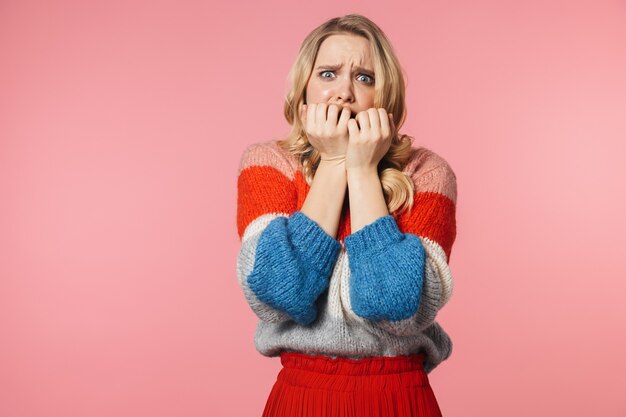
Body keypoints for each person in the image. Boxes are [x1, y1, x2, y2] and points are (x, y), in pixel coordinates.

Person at [235, 13, 457, 417]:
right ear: (304, 89)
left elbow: (397, 307)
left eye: (364, 78)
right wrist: (336, 162)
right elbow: (278, 296)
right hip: (301, 397)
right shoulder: (268, 163)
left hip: (397, 396)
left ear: (385, 99)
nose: (343, 93)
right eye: (328, 74)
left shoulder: (428, 173)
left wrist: (361, 169)